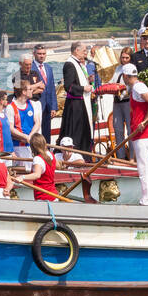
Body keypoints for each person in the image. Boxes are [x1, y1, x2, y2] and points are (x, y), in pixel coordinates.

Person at [59, 41, 97, 202]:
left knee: (84, 132)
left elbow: (78, 81)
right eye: (84, 50)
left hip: (82, 104)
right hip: (76, 105)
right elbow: (68, 86)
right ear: (76, 51)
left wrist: (87, 80)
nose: (86, 53)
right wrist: (83, 88)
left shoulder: (78, 63)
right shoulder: (69, 64)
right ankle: (77, 160)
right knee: (76, 132)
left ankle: (84, 158)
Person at [120, 64, 148, 206]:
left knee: (144, 168)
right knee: (147, 167)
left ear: (125, 76)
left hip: (143, 134)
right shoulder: (137, 87)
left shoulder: (138, 87)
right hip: (144, 134)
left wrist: (144, 121)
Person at [109, 47, 135, 160]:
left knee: (130, 130)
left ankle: (133, 157)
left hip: (127, 102)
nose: (124, 60)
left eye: (127, 58)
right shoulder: (118, 68)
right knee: (118, 129)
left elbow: (133, 84)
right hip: (117, 102)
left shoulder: (132, 69)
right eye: (122, 57)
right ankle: (121, 157)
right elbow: (112, 82)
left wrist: (124, 92)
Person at [33, 45, 58, 142]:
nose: (42, 56)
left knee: (47, 133)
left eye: (43, 54)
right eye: (39, 54)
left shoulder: (48, 68)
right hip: (36, 105)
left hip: (48, 107)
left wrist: (53, 107)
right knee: (37, 133)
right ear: (34, 54)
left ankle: (47, 151)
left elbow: (52, 88)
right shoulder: (30, 68)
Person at [26, 133, 59, 202]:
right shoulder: (51, 155)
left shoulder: (37, 159)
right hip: (54, 195)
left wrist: (22, 177)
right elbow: (57, 166)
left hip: (43, 198)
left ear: (33, 147)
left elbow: (37, 175)